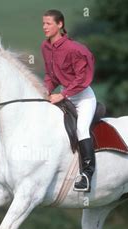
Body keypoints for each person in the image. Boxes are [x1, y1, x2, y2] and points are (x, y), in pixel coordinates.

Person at [41, 9, 97, 193]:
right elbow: (51, 76)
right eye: (43, 23)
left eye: (48, 23)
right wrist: (45, 91)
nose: (44, 27)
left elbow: (82, 78)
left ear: (60, 25)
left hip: (83, 97)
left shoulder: (75, 49)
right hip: (65, 95)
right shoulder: (45, 47)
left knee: (81, 129)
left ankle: (87, 175)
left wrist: (62, 94)